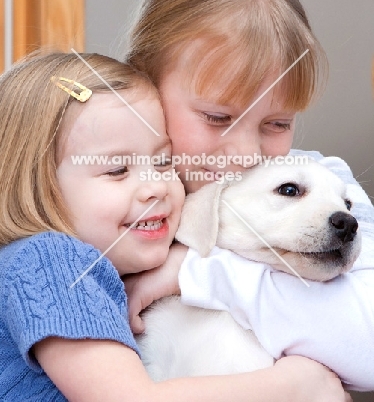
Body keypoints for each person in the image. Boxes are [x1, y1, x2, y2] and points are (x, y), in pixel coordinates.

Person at [0, 51, 348, 401]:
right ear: (38, 184)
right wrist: (301, 385)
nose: (156, 186)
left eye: (163, 162)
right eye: (118, 169)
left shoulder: (100, 269)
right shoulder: (48, 261)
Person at [124, 0, 374, 393]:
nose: (245, 154)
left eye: (277, 124)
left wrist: (195, 273)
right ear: (144, 85)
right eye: (217, 117)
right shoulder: (108, 201)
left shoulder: (327, 181)